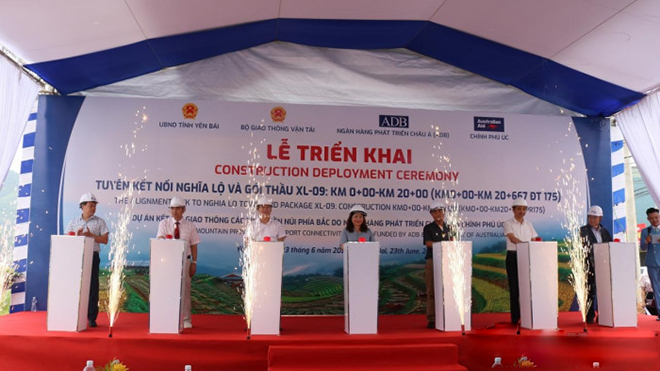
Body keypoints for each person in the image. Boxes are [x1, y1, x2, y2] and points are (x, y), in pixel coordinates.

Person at [66, 192, 109, 328]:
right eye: (90, 205)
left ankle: (91, 318)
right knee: (75, 286)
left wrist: (91, 235)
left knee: (92, 287)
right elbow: (67, 239)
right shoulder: (73, 222)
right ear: (82, 206)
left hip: (93, 256)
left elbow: (105, 240)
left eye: (94, 206)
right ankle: (74, 314)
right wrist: (77, 237)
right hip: (76, 257)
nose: (93, 208)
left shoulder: (100, 222)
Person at [157, 196, 201, 329]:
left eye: (177, 208)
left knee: (185, 291)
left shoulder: (190, 226)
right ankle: (168, 316)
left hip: (185, 261)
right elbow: (159, 238)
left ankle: (186, 319)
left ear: (184, 210)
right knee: (168, 289)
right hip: (168, 262)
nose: (174, 211)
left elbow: (194, 245)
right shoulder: (164, 223)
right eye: (172, 208)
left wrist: (194, 262)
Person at [502, 198, 538, 324]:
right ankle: (515, 319)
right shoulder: (508, 223)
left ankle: (527, 317)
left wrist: (537, 244)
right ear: (513, 210)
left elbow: (534, 238)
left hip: (527, 256)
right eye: (519, 209)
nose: (521, 211)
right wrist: (525, 245)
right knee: (515, 288)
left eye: (524, 209)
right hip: (513, 257)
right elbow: (512, 238)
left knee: (527, 288)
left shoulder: (528, 224)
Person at [579, 205, 612, 324]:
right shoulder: (582, 230)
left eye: (595, 217)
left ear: (600, 218)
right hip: (588, 265)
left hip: (603, 266)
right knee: (589, 292)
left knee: (603, 291)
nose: (592, 219)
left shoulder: (605, 231)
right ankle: (589, 316)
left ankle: (603, 315)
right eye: (590, 217)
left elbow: (610, 246)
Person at [422, 201, 452, 329]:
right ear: (431, 214)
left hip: (448, 260)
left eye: (440, 211)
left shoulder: (449, 227)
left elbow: (453, 241)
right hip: (433, 260)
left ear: (444, 212)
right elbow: (428, 243)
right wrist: (442, 245)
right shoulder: (428, 228)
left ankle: (448, 315)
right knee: (432, 290)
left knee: (448, 290)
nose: (438, 214)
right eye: (435, 212)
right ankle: (432, 318)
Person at [640, 207, 660, 321]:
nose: (655, 220)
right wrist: (646, 242)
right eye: (652, 218)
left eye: (656, 217)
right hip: (652, 263)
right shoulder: (645, 231)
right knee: (656, 289)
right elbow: (642, 248)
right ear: (648, 219)